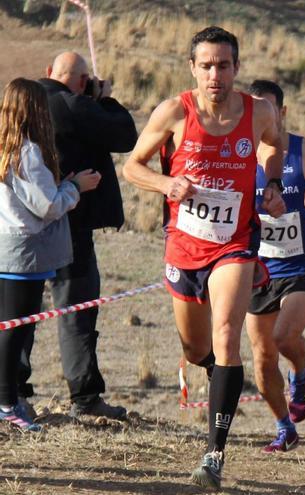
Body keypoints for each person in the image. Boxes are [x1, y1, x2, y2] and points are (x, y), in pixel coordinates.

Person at [122, 26, 286, 490]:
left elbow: (275, 143)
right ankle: (222, 377)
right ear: (193, 67)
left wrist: (270, 184)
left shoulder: (258, 112)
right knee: (198, 351)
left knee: (229, 334)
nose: (216, 74)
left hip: (234, 243)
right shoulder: (175, 111)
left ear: (237, 67)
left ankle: (214, 453)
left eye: (225, 65)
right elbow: (132, 165)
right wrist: (164, 184)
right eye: (207, 65)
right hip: (185, 244)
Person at [34, 51, 137, 419]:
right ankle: (85, 397)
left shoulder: (24, 102)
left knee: (19, 313)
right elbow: (125, 134)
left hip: (21, 228)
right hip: (70, 227)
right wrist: (104, 97)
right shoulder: (73, 103)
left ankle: (12, 395)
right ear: (82, 81)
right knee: (77, 311)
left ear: (48, 71)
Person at [0, 78, 101, 432]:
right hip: (24, 255)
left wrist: (59, 184)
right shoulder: (26, 152)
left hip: (7, 248)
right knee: (14, 330)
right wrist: (74, 188)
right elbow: (46, 206)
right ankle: (7, 404)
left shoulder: (5, 147)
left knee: (10, 328)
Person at [243, 80, 305, 454]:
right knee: (261, 357)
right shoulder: (240, 155)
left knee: (284, 337)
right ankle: (283, 427)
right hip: (258, 269)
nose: (264, 118)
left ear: (282, 113)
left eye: (271, 110)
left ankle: (300, 374)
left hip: (304, 264)